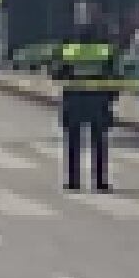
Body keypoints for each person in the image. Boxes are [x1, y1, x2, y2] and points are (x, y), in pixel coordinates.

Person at [51, 24, 119, 192]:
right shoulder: (104, 50)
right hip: (97, 99)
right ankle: (100, 182)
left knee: (73, 142)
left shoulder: (71, 51)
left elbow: (58, 73)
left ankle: (74, 181)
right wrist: (112, 97)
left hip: (75, 99)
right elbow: (113, 75)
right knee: (99, 143)